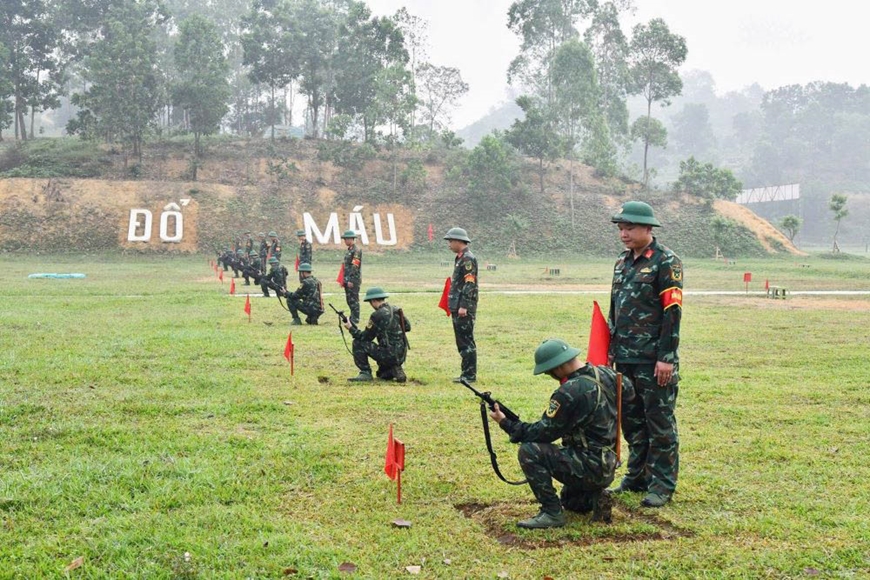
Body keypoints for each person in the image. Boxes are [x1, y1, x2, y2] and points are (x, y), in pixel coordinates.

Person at [489, 339, 633, 529]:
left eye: (549, 371)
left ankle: (551, 513)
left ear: (559, 367)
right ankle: (595, 495)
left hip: (589, 466)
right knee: (573, 503)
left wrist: (506, 423)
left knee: (529, 451)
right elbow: (629, 396)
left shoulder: (570, 392)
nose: (550, 375)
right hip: (608, 462)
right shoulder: (608, 374)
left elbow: (543, 433)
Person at [607, 201, 683, 508]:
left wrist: (667, 357)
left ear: (648, 228)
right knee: (633, 422)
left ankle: (662, 485)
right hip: (625, 357)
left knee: (659, 423)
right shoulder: (621, 262)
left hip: (653, 359)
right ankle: (636, 477)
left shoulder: (667, 261)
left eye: (630, 228)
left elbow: (672, 312)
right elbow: (614, 308)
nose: (623, 234)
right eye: (621, 229)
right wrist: (611, 351)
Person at [345, 287, 411, 383]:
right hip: (401, 354)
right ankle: (392, 368)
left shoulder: (377, 315)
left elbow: (365, 337)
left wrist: (351, 328)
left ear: (373, 301)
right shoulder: (396, 309)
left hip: (388, 353)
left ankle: (365, 373)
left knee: (358, 343)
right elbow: (407, 327)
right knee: (382, 375)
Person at [444, 227, 478, 383]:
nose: (449, 244)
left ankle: (469, 375)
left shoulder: (467, 259)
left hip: (463, 307)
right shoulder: (460, 258)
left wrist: (464, 305)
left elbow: (470, 283)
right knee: (461, 341)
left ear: (459, 241)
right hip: (456, 305)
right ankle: (466, 373)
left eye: (451, 241)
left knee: (466, 341)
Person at [341, 230, 362, 324]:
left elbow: (355, 266)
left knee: (354, 299)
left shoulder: (356, 250)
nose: (345, 241)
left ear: (351, 239)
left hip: (353, 279)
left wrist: (351, 280)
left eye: (346, 239)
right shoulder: (350, 250)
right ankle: (353, 316)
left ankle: (355, 318)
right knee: (349, 299)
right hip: (347, 278)